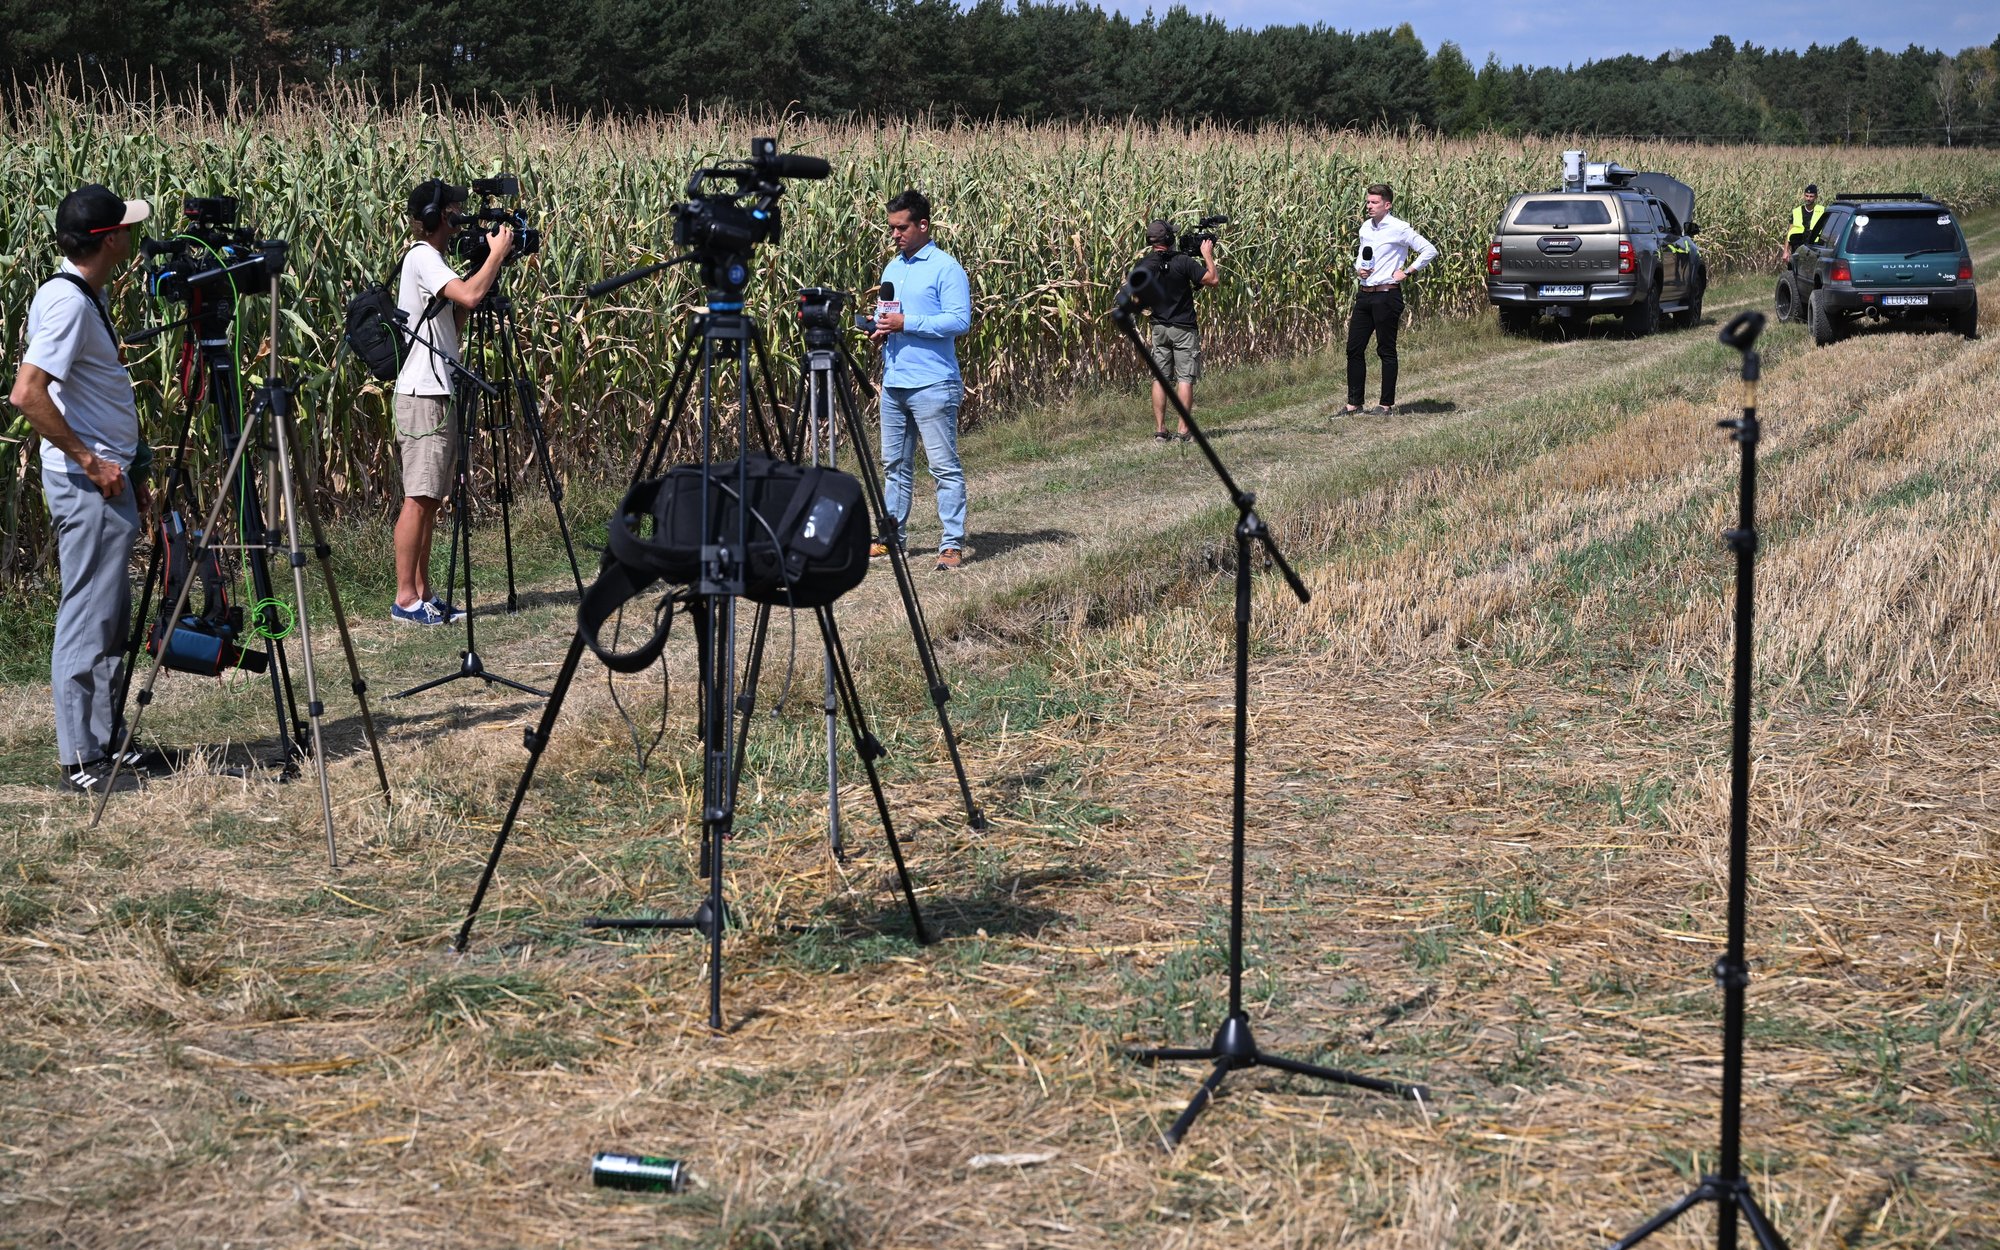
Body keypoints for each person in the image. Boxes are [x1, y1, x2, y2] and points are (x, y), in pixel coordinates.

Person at [9, 183, 165, 794]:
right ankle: (80, 758)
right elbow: (27, 393)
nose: (132, 233)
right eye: (124, 227)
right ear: (106, 241)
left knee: (107, 616)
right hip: (86, 483)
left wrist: (130, 469)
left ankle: (104, 742)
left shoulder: (81, 294)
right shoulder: (69, 303)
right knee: (86, 616)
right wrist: (92, 463)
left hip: (107, 481)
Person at [390, 178, 512, 624]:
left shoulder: (436, 261)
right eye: (456, 209)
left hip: (437, 389)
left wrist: (483, 263)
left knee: (432, 498)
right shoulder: (422, 256)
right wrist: (496, 256)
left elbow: (455, 319)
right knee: (418, 497)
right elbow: (472, 294)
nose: (461, 217)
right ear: (437, 216)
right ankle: (405, 600)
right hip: (422, 392)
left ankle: (423, 594)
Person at [870, 189, 972, 572]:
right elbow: (890, 313)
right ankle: (891, 537)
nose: (895, 235)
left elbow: (960, 320)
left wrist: (907, 323)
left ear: (923, 225)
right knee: (894, 465)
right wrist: (881, 329)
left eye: (902, 227)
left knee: (942, 466)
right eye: (892, 228)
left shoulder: (946, 268)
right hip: (895, 381)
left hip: (933, 383)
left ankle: (951, 544)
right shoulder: (892, 268)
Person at [1342, 182, 1437, 417]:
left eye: (1374, 202)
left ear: (1387, 204)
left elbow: (1429, 250)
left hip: (1387, 295)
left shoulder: (1399, 228)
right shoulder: (1366, 227)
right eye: (1367, 202)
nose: (1369, 206)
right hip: (1365, 294)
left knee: (1386, 350)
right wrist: (1359, 270)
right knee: (1354, 349)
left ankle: (1385, 405)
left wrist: (1408, 272)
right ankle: (1354, 404)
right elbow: (1360, 256)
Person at [1137, 219, 1219, 441]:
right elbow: (1212, 280)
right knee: (1185, 378)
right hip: (1183, 328)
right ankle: (1183, 430)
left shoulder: (1144, 265)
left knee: (1160, 378)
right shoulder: (1183, 262)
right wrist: (1207, 255)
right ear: (1170, 240)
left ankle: (1161, 431)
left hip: (1159, 328)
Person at [1781, 183, 1825, 265]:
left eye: (1811, 196)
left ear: (1816, 197)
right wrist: (1785, 251)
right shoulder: (1796, 211)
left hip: (1814, 248)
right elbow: (1790, 232)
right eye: (1807, 196)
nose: (1808, 198)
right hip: (1798, 248)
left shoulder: (1822, 211)